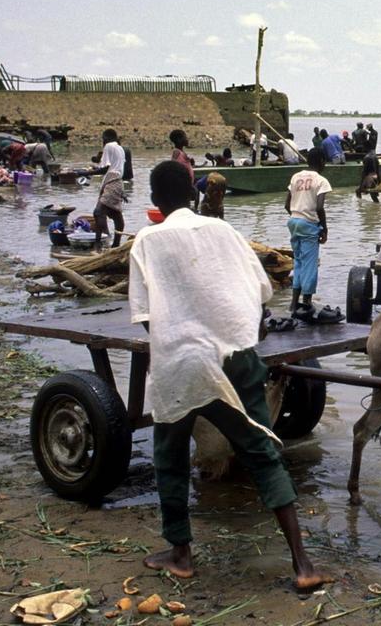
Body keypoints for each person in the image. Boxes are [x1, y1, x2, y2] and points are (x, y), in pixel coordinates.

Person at [128, 160, 330, 591]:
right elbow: (259, 292)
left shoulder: (147, 240)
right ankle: (302, 564)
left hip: (181, 362)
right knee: (261, 452)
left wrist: (180, 343)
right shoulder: (225, 232)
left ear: (155, 201)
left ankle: (181, 554)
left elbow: (147, 317)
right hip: (236, 358)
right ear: (194, 193)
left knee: (170, 454)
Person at [284, 149, 338, 321]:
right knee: (310, 264)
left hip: (294, 221)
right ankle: (306, 302)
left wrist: (297, 217)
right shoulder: (321, 180)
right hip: (309, 225)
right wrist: (324, 228)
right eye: (324, 161)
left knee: (298, 262)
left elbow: (287, 203)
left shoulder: (295, 177)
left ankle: (293, 304)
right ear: (322, 161)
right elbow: (320, 207)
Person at [90, 129, 127, 248]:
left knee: (98, 212)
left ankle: (99, 244)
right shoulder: (119, 148)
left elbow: (105, 168)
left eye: (103, 139)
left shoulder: (109, 146)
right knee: (115, 214)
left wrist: (84, 173)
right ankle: (114, 244)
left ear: (105, 138)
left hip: (112, 181)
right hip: (117, 182)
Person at [169, 130, 196, 210]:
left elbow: (184, 165)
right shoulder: (176, 152)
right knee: (182, 207)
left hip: (186, 186)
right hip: (181, 187)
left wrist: (191, 163)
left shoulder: (182, 152)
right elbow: (172, 166)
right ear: (179, 140)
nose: (187, 139)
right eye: (185, 137)